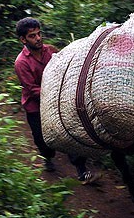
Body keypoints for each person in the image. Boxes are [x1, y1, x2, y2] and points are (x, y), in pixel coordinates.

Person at [14, 17, 99, 184]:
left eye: (39, 34)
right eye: (32, 36)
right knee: (42, 140)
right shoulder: (21, 62)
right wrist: (57, 93)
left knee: (68, 134)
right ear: (23, 40)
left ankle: (82, 171)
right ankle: (47, 157)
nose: (38, 38)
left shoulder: (51, 51)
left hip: (58, 101)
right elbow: (31, 90)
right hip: (36, 106)